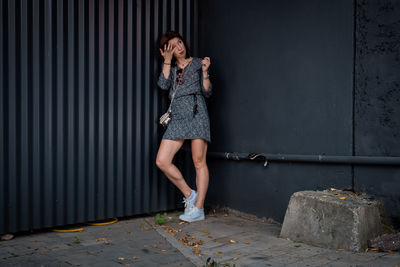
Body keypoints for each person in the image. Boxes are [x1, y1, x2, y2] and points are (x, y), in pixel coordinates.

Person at [155, 31, 212, 222]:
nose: (179, 47)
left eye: (179, 42)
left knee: (198, 162)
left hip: (197, 114)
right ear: (167, 51)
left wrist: (204, 72)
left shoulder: (197, 63)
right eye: (173, 45)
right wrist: (167, 61)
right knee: (162, 161)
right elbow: (163, 85)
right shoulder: (170, 68)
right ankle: (190, 195)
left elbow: (207, 91)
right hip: (178, 117)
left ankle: (199, 209)